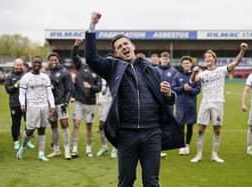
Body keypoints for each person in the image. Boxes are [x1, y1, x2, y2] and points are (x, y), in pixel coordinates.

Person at [85, 12, 182, 187]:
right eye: (119, 47)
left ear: (133, 46)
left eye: (125, 44)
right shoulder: (113, 67)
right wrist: (92, 27)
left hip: (152, 133)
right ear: (116, 53)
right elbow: (91, 59)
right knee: (125, 181)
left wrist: (168, 95)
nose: (123, 47)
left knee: (152, 181)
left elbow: (166, 100)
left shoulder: (151, 69)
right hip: (126, 134)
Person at [190, 43, 248, 163]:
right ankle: (199, 155)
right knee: (201, 129)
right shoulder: (203, 73)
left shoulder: (222, 70)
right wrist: (194, 72)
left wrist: (242, 51)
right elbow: (193, 80)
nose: (207, 59)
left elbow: (235, 63)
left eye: (209, 57)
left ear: (214, 59)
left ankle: (214, 155)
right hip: (205, 103)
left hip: (218, 102)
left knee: (217, 129)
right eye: (206, 57)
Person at [16, 56, 55, 161]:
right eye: (35, 62)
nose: (37, 64)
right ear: (32, 64)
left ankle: (41, 153)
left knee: (42, 129)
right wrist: (22, 104)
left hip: (43, 106)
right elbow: (22, 93)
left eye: (39, 62)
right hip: (32, 106)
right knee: (30, 130)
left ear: (41, 64)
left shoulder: (45, 77)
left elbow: (49, 93)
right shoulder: (26, 77)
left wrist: (52, 105)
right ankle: (23, 146)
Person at [71, 38, 102, 158]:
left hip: (90, 103)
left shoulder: (97, 71)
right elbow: (74, 55)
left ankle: (88, 150)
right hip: (79, 101)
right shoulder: (80, 65)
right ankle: (74, 149)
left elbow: (99, 87)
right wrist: (76, 45)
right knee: (77, 124)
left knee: (89, 126)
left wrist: (91, 86)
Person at [172, 56, 201, 155]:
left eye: (188, 63)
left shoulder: (196, 76)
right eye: (184, 63)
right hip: (180, 105)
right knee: (180, 126)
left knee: (190, 126)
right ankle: (181, 146)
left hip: (191, 105)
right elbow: (173, 89)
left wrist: (191, 90)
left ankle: (187, 145)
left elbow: (198, 90)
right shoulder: (177, 76)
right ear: (181, 65)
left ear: (191, 64)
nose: (186, 65)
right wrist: (182, 88)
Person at [46, 52, 73, 160]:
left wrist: (66, 102)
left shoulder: (64, 72)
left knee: (64, 124)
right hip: (50, 104)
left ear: (58, 60)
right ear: (49, 61)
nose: (53, 62)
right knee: (53, 126)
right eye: (51, 60)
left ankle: (67, 150)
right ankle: (56, 150)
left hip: (61, 102)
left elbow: (69, 89)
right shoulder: (46, 73)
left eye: (55, 60)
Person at [5, 58, 35, 150]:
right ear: (14, 65)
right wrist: (16, 84)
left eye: (20, 65)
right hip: (15, 104)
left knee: (29, 123)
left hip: (27, 103)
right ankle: (16, 142)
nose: (18, 66)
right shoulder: (10, 76)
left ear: (22, 65)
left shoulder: (26, 75)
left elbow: (32, 88)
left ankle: (27, 141)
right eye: (17, 65)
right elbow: (8, 90)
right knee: (16, 123)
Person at [96, 78, 117, 158]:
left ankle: (115, 148)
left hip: (111, 102)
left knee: (113, 126)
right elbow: (100, 91)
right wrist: (97, 99)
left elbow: (107, 91)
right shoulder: (100, 77)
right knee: (101, 126)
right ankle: (104, 146)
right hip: (102, 103)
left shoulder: (113, 76)